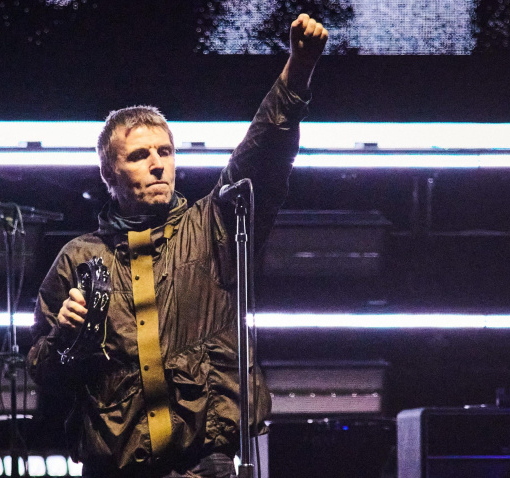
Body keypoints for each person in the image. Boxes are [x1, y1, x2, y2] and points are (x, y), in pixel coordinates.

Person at [28, 14, 328, 478]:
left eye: (164, 152)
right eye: (138, 156)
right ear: (110, 176)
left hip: (203, 466)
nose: (156, 165)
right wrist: (65, 336)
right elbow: (45, 374)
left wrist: (298, 70)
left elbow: (263, 153)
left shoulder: (212, 226)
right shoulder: (78, 258)